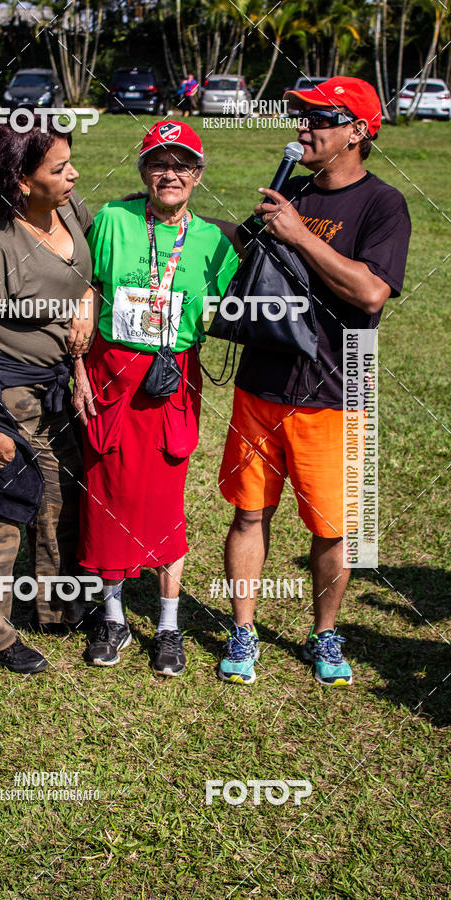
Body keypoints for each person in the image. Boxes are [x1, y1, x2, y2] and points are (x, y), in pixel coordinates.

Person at [217, 77, 411, 686]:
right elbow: (236, 262)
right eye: (300, 116)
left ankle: (324, 633)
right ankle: (243, 630)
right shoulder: (290, 191)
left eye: (319, 118)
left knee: (331, 528)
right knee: (250, 514)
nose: (302, 128)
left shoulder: (383, 205)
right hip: (260, 384)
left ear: (357, 131)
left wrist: (297, 233)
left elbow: (371, 291)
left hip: (334, 393)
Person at [75, 120, 239, 676]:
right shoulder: (113, 221)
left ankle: (168, 625)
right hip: (110, 372)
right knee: (106, 495)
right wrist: (77, 369)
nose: (170, 174)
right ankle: (114, 615)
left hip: (171, 378)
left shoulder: (216, 242)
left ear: (198, 175)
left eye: (183, 165)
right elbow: (84, 292)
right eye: (158, 163)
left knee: (166, 501)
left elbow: (232, 311)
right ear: (143, 170)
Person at [0, 119, 95, 674]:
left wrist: (86, 306)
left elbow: (86, 272)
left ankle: (54, 607)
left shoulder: (68, 208)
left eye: (70, 161)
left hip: (51, 380)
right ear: (22, 181)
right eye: (59, 168)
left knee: (59, 492)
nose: (74, 174)